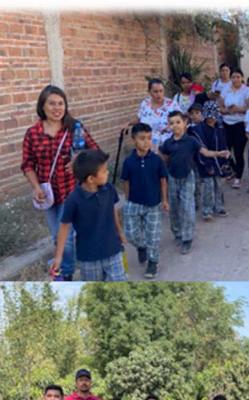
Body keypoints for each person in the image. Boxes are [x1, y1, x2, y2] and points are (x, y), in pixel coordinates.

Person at [21, 85, 100, 280]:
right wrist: (36, 187)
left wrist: (78, 161)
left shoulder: (75, 128)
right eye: (52, 104)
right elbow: (27, 164)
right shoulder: (33, 133)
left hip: (71, 190)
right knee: (58, 234)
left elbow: (96, 152)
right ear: (43, 106)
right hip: (47, 194)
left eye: (61, 103)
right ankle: (69, 262)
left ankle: (66, 272)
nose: (57, 108)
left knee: (61, 235)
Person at [51, 149, 127, 281]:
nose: (107, 172)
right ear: (91, 178)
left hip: (113, 251)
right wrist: (59, 257)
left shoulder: (108, 188)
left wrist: (120, 232)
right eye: (104, 171)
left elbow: (112, 209)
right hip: (88, 258)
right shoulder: (73, 200)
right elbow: (64, 227)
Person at [160, 110, 229, 255]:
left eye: (178, 122)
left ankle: (187, 238)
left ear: (185, 123)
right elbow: (163, 157)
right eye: (171, 123)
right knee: (174, 208)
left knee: (187, 207)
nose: (175, 126)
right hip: (172, 177)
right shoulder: (167, 143)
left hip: (188, 177)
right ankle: (177, 233)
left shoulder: (191, 141)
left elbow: (205, 152)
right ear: (168, 126)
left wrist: (218, 153)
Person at [121, 122, 169, 279]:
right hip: (134, 203)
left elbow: (163, 180)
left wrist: (164, 200)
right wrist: (128, 201)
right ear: (133, 140)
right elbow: (126, 181)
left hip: (153, 204)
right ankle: (141, 247)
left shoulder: (156, 160)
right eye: (142, 138)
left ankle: (153, 262)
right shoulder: (128, 162)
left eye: (149, 138)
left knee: (153, 236)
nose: (146, 142)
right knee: (131, 234)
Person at [188, 101, 229, 221]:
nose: (212, 119)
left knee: (219, 185)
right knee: (208, 186)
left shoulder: (219, 128)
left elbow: (223, 144)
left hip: (219, 161)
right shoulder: (198, 130)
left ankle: (219, 206)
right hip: (205, 162)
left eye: (214, 116)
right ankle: (207, 210)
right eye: (210, 116)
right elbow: (200, 149)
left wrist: (225, 161)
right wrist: (207, 165)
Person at [218, 68, 249, 189]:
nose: (235, 79)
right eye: (233, 77)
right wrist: (226, 111)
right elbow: (219, 105)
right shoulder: (226, 89)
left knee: (238, 151)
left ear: (242, 78)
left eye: (238, 77)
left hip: (240, 124)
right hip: (227, 124)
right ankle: (234, 170)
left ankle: (238, 177)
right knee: (226, 149)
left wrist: (238, 109)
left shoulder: (246, 91)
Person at [129, 78, 181, 150]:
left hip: (167, 144)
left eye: (161, 91)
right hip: (147, 144)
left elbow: (182, 121)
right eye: (155, 92)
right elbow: (139, 118)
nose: (158, 94)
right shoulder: (145, 103)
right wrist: (128, 124)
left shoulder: (172, 105)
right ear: (149, 92)